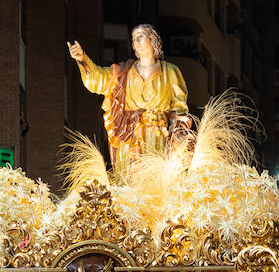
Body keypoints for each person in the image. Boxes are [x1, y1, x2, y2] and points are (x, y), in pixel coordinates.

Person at [68, 24, 192, 173]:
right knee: (128, 183)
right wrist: (82, 60)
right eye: (133, 40)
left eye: (140, 38)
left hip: (158, 137)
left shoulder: (170, 71)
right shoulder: (123, 73)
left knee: (155, 184)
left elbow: (179, 108)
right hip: (128, 136)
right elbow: (98, 80)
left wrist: (177, 136)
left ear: (153, 41)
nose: (136, 43)